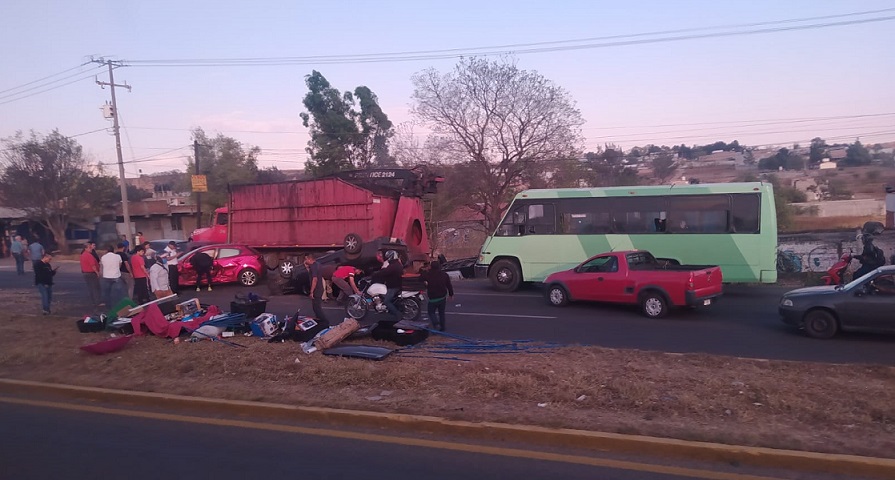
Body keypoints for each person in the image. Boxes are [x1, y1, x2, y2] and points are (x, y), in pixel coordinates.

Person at [370, 250, 403, 325]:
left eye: (388, 257)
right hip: (396, 285)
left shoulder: (393, 266)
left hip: (393, 287)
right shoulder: (397, 264)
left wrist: (375, 274)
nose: (387, 258)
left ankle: (398, 314)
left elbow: (384, 272)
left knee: (386, 301)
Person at [421, 261, 454, 332]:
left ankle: (435, 323)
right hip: (442, 297)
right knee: (441, 313)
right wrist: (451, 294)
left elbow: (420, 277)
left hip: (433, 297)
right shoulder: (444, 275)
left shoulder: (428, 274)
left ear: (431, 267)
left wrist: (425, 270)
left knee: (431, 312)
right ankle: (443, 327)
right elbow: (449, 285)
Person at [303, 253, 328, 323]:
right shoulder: (317, 264)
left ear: (310, 259)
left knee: (317, 308)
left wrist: (311, 291)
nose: (305, 260)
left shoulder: (313, 266)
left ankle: (324, 321)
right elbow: (311, 274)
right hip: (320, 288)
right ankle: (320, 321)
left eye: (306, 259)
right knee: (316, 307)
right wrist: (306, 267)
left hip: (317, 289)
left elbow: (314, 279)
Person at [80, 241, 103, 307]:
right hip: (91, 273)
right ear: (86, 248)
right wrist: (97, 273)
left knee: (91, 288)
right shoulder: (88, 255)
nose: (91, 249)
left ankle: (94, 301)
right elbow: (93, 265)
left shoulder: (83, 255)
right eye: (89, 248)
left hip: (85, 273)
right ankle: (97, 302)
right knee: (96, 288)